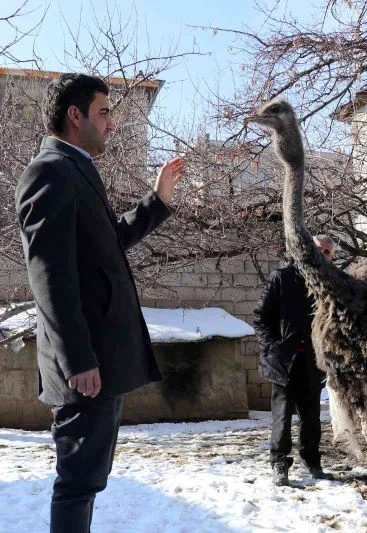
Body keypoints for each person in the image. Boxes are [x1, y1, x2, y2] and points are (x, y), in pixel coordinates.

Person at [14, 73, 185, 533]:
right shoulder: (48, 172)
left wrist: (157, 201)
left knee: (88, 480)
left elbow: (108, 243)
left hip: (96, 365)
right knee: (77, 483)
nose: (113, 124)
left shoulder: (75, 169)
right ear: (75, 115)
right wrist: (78, 360)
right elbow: (48, 275)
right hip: (84, 369)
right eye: (105, 111)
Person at [253, 235, 334, 486]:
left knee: (311, 418)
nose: (323, 255)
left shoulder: (328, 283)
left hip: (313, 362)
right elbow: (260, 317)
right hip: (283, 362)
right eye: (320, 249)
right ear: (308, 249)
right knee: (283, 418)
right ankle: (279, 464)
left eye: (328, 252)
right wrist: (274, 346)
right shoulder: (282, 277)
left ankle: (313, 463)